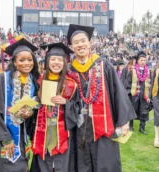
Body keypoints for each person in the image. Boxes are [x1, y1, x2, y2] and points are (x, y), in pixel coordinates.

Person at [67, 24, 136, 172]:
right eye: (76, 42)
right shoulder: (69, 71)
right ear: (72, 47)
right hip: (79, 127)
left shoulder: (104, 65)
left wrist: (124, 121)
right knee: (82, 163)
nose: (80, 45)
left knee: (105, 163)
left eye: (83, 40)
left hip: (103, 126)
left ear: (89, 43)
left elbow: (118, 92)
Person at [0, 38, 40, 172]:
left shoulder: (32, 82)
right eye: (22, 60)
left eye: (30, 60)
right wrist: (6, 139)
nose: (27, 63)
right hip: (0, 137)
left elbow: (32, 108)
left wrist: (29, 113)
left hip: (20, 136)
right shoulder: (3, 79)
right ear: (14, 62)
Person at [32, 42, 80, 172]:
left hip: (62, 132)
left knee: (61, 164)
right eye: (53, 59)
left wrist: (66, 103)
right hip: (42, 129)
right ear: (47, 61)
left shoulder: (71, 84)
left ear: (65, 62)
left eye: (60, 60)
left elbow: (78, 107)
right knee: (43, 161)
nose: (56, 62)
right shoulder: (39, 80)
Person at [126, 51, 152, 134]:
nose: (143, 62)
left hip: (144, 94)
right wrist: (130, 92)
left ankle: (142, 128)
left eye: (144, 60)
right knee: (133, 109)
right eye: (141, 60)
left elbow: (149, 83)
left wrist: (149, 95)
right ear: (137, 61)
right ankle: (131, 125)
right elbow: (128, 83)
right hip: (134, 94)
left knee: (144, 110)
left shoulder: (148, 71)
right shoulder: (132, 71)